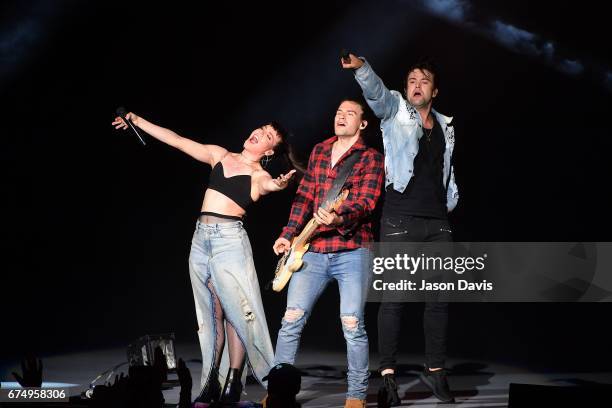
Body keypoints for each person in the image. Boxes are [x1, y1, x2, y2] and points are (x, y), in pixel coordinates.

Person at [112, 113, 300, 403]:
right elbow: (176, 140)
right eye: (260, 129)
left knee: (236, 312)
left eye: (267, 137)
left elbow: (267, 186)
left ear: (269, 151)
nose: (258, 134)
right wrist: (137, 121)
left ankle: (234, 381)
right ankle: (212, 381)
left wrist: (278, 185)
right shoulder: (219, 155)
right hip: (200, 240)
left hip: (229, 243)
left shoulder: (258, 175)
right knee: (211, 316)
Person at [342, 53, 459, 404]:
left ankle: (436, 370)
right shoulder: (395, 110)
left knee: (439, 301)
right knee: (394, 301)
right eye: (411, 81)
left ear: (434, 90)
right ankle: (389, 376)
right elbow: (376, 93)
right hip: (399, 219)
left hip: (438, 221)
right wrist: (363, 70)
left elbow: (446, 170)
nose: (416, 85)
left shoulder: (446, 125)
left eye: (424, 81)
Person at [272, 99, 385, 408]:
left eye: (349, 113)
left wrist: (339, 217)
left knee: (352, 324)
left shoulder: (371, 158)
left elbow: (366, 202)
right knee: (291, 320)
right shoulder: (320, 151)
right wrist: (287, 234)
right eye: (338, 112)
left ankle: (356, 397)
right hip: (314, 249)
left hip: (352, 250)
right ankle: (279, 393)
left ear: (362, 123)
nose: (341, 116)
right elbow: (303, 197)